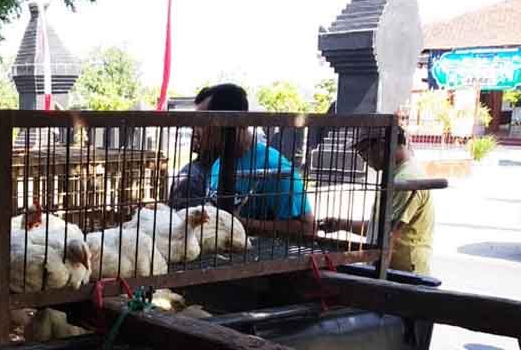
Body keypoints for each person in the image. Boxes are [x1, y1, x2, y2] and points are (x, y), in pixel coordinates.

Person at [175, 83, 316, 238]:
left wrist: (240, 223)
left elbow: (308, 227)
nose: (194, 131)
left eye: (203, 123)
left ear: (232, 122)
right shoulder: (219, 163)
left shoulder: (275, 167)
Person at [320, 126, 434, 275]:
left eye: (363, 150)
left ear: (381, 144)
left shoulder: (405, 180)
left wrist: (376, 277)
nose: (362, 157)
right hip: (393, 271)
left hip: (402, 276)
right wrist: (342, 224)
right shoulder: (395, 176)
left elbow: (390, 235)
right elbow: (380, 228)